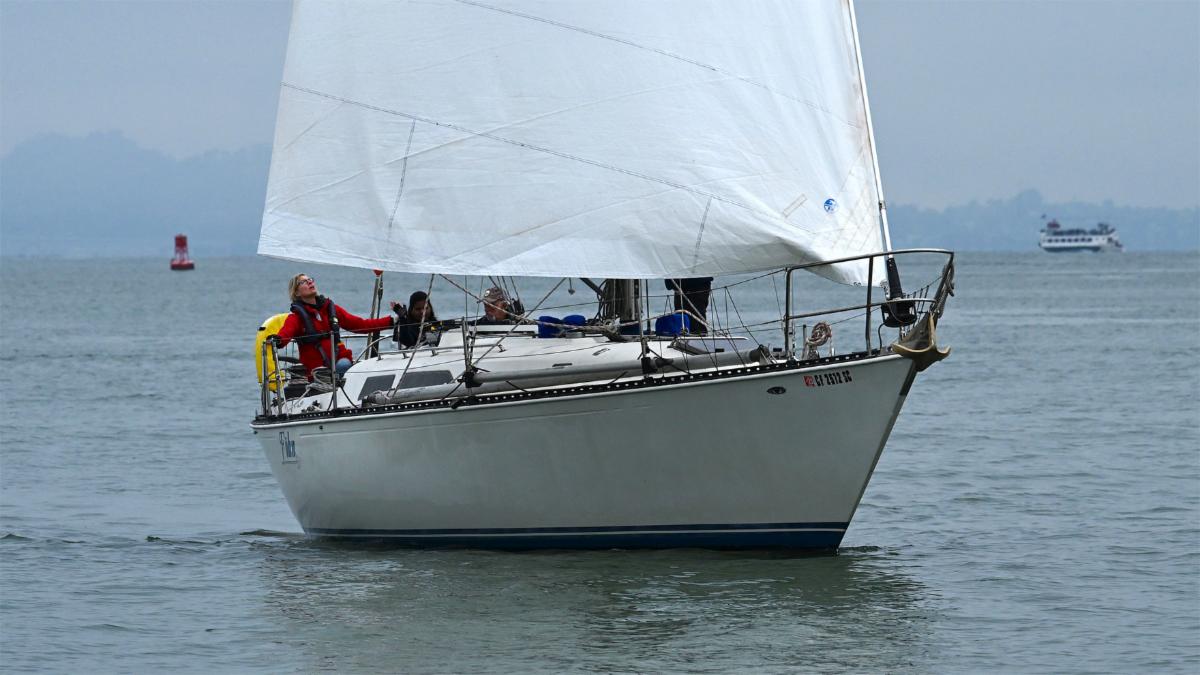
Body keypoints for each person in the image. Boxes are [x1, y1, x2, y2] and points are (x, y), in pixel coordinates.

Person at [272, 273, 399, 378]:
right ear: (297, 293)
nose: (310, 282)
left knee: (344, 366)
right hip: (316, 372)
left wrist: (392, 321)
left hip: (341, 361)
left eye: (310, 279)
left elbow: (360, 325)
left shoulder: (331, 309)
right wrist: (277, 340)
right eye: (303, 282)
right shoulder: (296, 317)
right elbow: (286, 332)